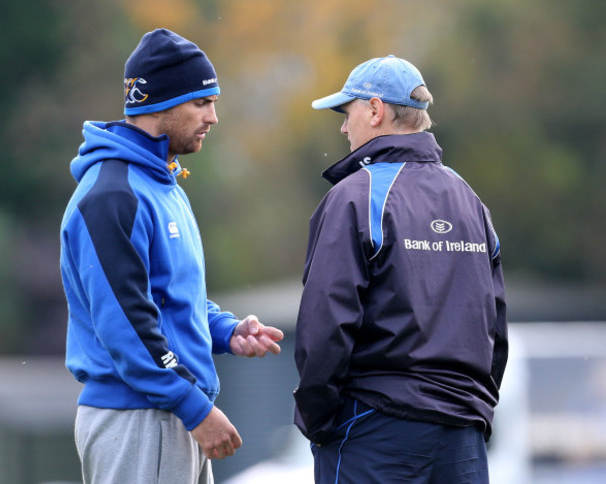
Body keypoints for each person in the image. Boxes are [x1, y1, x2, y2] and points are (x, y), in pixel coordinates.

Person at [60, 29, 284, 484]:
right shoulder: (112, 195)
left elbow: (165, 298)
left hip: (165, 410)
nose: (214, 117)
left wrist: (225, 330)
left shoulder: (161, 185)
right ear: (159, 103)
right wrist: (195, 409)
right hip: (140, 417)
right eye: (202, 103)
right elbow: (126, 322)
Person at [293, 55, 508, 483]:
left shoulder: (355, 196)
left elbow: (325, 324)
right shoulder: (470, 201)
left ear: (374, 110)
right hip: (462, 438)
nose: (342, 128)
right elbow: (495, 327)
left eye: (346, 112)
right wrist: (474, 407)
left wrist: (317, 421)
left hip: (374, 430)